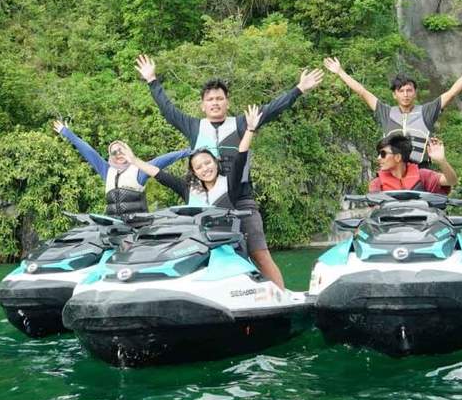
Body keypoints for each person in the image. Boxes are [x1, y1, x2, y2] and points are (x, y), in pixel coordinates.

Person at [135, 54, 324, 290]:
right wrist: (152, 80)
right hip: (208, 205)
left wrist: (298, 89)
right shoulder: (194, 127)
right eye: (210, 99)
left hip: (242, 200)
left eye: (220, 98)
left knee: (260, 254)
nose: (215, 103)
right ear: (202, 105)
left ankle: (282, 296)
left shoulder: (241, 123)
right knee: (204, 257)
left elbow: (273, 109)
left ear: (227, 102)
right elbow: (168, 110)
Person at [324, 49, 462, 165]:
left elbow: (451, 93)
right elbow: (362, 91)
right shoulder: (386, 112)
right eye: (401, 91)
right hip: (391, 170)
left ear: (415, 93)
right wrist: (340, 72)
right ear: (394, 95)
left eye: (409, 90)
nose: (406, 94)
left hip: (419, 170)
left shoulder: (426, 112)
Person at [124, 105, 261, 211]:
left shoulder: (229, 182)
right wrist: (134, 160)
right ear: (194, 172)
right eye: (199, 167)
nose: (205, 169)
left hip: (226, 242)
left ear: (216, 162)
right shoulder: (188, 190)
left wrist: (250, 129)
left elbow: (241, 155)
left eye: (207, 163)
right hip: (199, 244)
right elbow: (159, 174)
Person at [53, 120, 186, 218]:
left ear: (127, 149)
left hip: (138, 226)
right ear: (111, 156)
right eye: (114, 152)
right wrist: (67, 133)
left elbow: (163, 160)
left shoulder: (138, 169)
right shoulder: (107, 170)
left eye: (121, 149)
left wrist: (188, 152)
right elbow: (88, 151)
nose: (118, 154)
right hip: (116, 227)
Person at [368, 135, 457, 195]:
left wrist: (442, 161)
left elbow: (451, 181)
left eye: (383, 154)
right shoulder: (377, 183)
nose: (379, 158)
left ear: (398, 157)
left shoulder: (423, 176)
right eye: (378, 154)